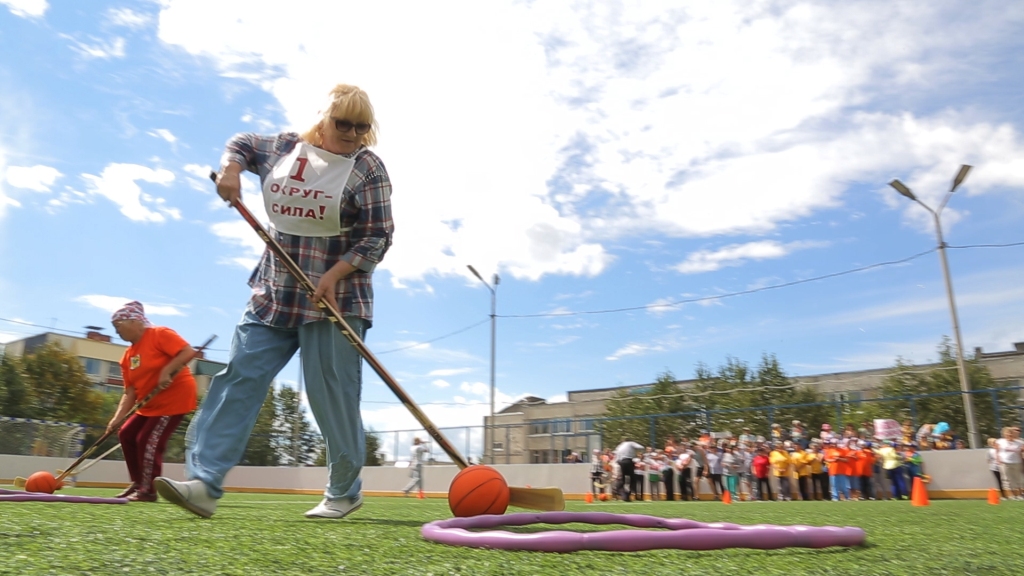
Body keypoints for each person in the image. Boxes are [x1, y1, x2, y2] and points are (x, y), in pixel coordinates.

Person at [155, 84, 394, 520]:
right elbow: (242, 144)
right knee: (238, 379)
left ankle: (343, 492)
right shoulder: (285, 148)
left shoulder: (368, 169)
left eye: (362, 127)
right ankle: (204, 484)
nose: (353, 133)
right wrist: (230, 170)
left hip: (336, 301)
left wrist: (336, 273)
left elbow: (379, 235)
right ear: (323, 118)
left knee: (332, 397)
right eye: (344, 123)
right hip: (274, 294)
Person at [106, 301, 197, 503]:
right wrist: (117, 418)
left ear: (135, 321)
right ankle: (139, 482)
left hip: (174, 399)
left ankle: (148, 490)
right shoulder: (127, 356)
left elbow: (188, 352)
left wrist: (166, 370)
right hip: (148, 405)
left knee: (147, 440)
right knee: (127, 433)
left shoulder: (159, 334)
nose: (116, 330)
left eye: (118, 324)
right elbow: (130, 391)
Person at [995, 426, 1023, 500]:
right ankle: (1012, 495)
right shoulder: (1000, 441)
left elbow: (1021, 453)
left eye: (1011, 433)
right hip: (1005, 462)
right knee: (1008, 479)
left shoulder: (1019, 442)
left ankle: (1020, 494)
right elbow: (997, 451)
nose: (1009, 434)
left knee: (1018, 479)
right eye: (1008, 433)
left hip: (1017, 462)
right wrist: (998, 460)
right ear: (1004, 434)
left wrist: (1022, 462)